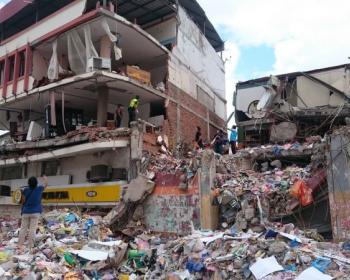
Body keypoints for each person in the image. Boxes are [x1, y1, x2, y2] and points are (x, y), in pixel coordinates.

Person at [18, 176, 48, 250]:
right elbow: (45, 184)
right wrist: (45, 179)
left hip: (26, 211)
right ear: (36, 183)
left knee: (23, 229)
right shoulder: (39, 189)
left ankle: (20, 244)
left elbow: (23, 201)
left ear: (28, 183)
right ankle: (30, 246)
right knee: (32, 229)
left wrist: (22, 210)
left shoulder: (25, 190)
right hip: (35, 212)